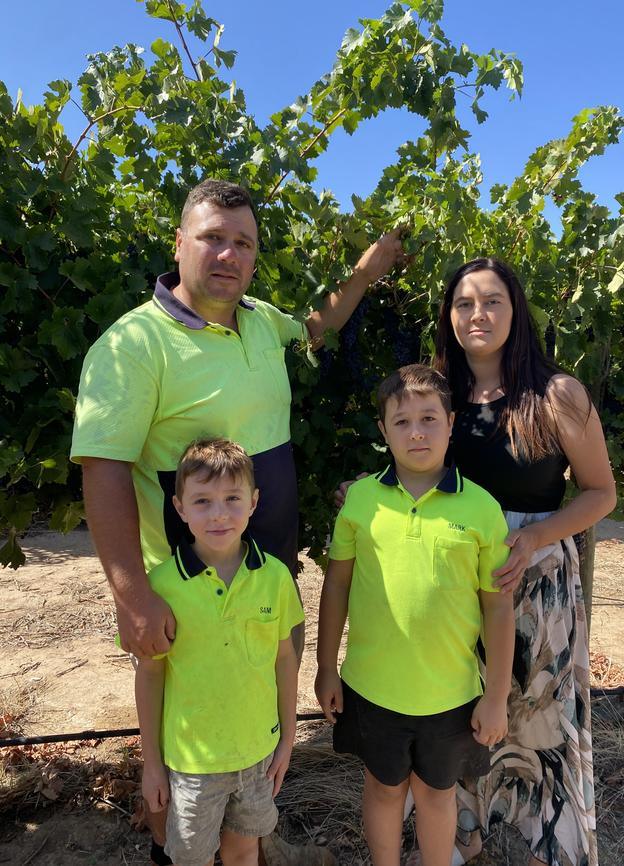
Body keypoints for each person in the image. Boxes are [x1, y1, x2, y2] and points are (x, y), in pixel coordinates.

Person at [71, 178, 401, 865]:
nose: (227, 253)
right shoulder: (133, 344)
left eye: (242, 242)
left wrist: (368, 272)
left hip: (266, 580)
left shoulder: (261, 320)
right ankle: (173, 848)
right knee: (183, 746)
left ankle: (251, 837)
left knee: (254, 716)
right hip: (187, 597)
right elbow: (102, 467)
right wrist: (133, 593)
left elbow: (316, 326)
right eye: (212, 237)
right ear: (179, 244)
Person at [411, 258, 616, 866]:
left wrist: (534, 537)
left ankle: (548, 846)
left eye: (492, 301)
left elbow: (600, 492)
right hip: (454, 584)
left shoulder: (557, 394)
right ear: (448, 316)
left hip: (534, 583)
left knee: (541, 724)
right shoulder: (437, 393)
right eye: (464, 303)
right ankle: (464, 835)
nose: (478, 314)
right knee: (459, 714)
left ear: (515, 311)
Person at [316, 364, 516, 866]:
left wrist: (495, 696)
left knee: (436, 796)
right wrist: (323, 668)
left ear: (451, 423)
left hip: (449, 695)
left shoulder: (482, 509)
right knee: (384, 791)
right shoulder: (360, 501)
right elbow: (336, 585)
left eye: (429, 418)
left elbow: (497, 608)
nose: (417, 432)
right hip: (373, 688)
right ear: (383, 431)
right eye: (401, 422)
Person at [135, 437, 303, 866]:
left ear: (254, 501)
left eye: (232, 498)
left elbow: (285, 661)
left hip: (259, 756)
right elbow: (150, 675)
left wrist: (287, 739)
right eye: (203, 501)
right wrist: (152, 764)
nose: (219, 513)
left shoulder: (276, 577)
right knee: (192, 858)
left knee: (245, 847)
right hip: (192, 763)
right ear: (179, 508)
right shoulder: (160, 587)